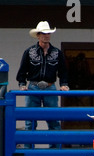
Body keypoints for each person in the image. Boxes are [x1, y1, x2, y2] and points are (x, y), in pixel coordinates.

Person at [16, 21, 69, 149]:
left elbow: (63, 71)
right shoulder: (29, 52)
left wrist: (64, 84)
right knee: (30, 123)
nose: (46, 36)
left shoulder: (57, 53)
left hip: (50, 86)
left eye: (48, 33)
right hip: (33, 87)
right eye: (44, 33)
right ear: (38, 35)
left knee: (54, 121)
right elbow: (22, 70)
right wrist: (22, 84)